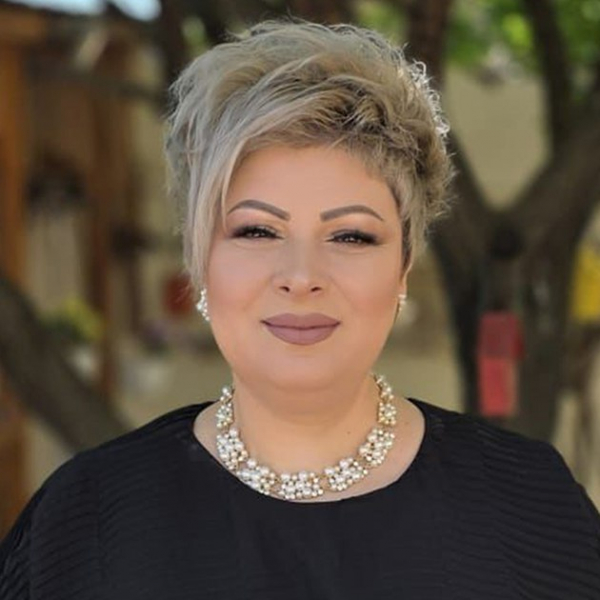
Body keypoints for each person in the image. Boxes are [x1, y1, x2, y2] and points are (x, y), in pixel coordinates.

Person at [1, 18, 599, 600]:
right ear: (200, 260)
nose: (301, 277)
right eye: (258, 231)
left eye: (351, 236)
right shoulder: (84, 522)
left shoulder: (530, 504)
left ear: (403, 268)